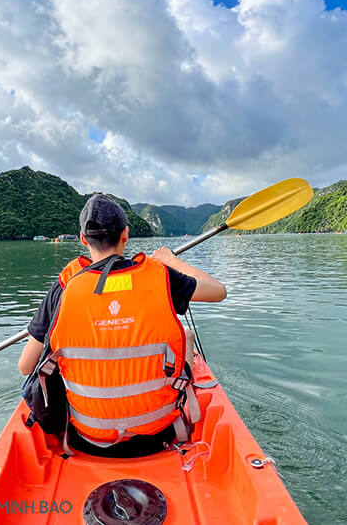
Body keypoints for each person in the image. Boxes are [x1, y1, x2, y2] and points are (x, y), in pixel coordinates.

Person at [18, 193, 226, 457]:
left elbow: (26, 366)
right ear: (126, 234)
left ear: (83, 239)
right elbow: (218, 291)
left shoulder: (65, 286)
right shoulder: (160, 276)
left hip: (87, 439)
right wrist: (170, 261)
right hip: (159, 435)